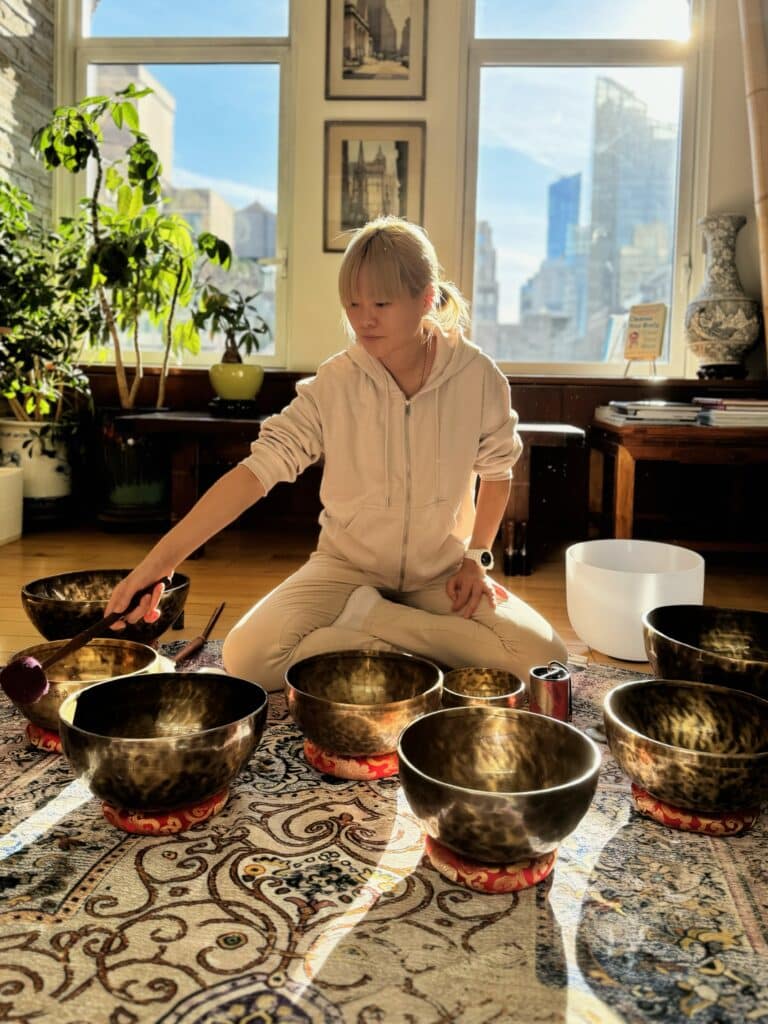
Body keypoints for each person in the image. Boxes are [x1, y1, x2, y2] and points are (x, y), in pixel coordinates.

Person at [106, 216, 567, 689]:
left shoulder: (478, 377)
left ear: (426, 298)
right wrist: (158, 563)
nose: (364, 319)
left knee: (544, 658)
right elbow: (254, 474)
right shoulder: (335, 383)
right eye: (352, 303)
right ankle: (418, 649)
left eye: (382, 303)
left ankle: (378, 631)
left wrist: (476, 557)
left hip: (440, 576)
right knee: (245, 659)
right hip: (344, 572)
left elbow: (497, 472)